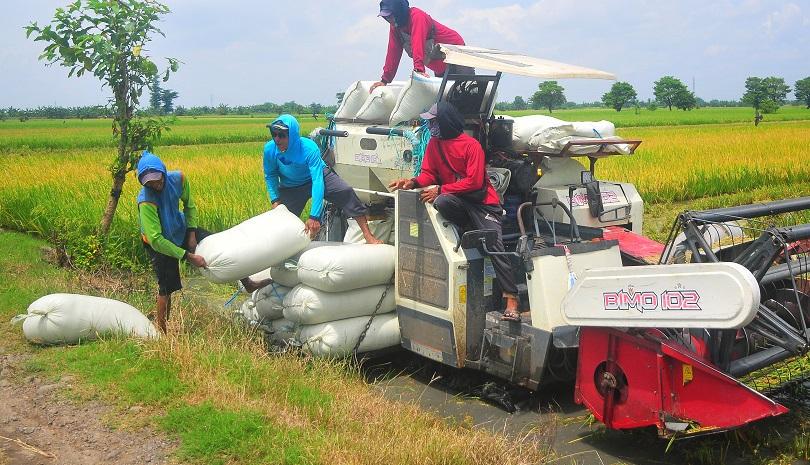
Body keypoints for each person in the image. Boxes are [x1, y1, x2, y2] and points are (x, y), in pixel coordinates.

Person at [388, 102, 520, 321]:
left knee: (494, 243)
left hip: (482, 204)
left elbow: (475, 182)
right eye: (429, 122)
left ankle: (512, 298)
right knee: (442, 203)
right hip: (458, 201)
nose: (430, 126)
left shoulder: (471, 146)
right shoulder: (434, 145)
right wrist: (412, 182)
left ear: (445, 122)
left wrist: (441, 188)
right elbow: (429, 174)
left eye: (433, 121)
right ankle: (467, 228)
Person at [137, 151, 270, 333]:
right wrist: (188, 256)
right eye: (150, 183)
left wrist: (191, 233)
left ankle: (247, 282)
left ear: (164, 172)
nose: (156, 184)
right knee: (166, 287)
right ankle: (161, 331)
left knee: (220, 246)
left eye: (157, 179)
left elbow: (189, 206)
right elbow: (156, 239)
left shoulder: (178, 179)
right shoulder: (146, 201)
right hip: (159, 243)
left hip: (180, 226)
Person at [263, 114, 383, 244]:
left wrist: (314, 216)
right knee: (281, 218)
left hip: (318, 176)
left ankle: (368, 235)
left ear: (292, 135)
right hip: (292, 185)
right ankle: (282, 247)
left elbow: (317, 181)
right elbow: (270, 175)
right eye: (273, 134)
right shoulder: (269, 149)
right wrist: (275, 200)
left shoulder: (309, 148)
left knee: (345, 191)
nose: (277, 139)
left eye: (282, 135)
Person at [370, 0, 469, 93]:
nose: (389, 20)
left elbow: (418, 43)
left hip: (457, 54)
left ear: (399, 12)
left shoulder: (417, 16)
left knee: (464, 92)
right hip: (440, 65)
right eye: (386, 17)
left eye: (390, 16)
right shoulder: (395, 27)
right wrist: (384, 80)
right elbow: (393, 53)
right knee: (445, 97)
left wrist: (419, 70)